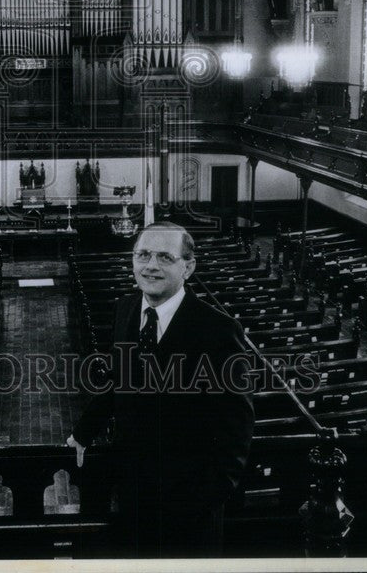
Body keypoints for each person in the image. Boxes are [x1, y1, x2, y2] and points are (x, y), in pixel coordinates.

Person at [67, 221, 254, 558]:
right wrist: (84, 429)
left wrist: (204, 501)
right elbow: (121, 378)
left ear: (188, 267)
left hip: (191, 511)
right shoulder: (125, 309)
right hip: (133, 493)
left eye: (165, 257)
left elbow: (236, 430)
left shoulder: (218, 330)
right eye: (143, 255)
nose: (150, 266)